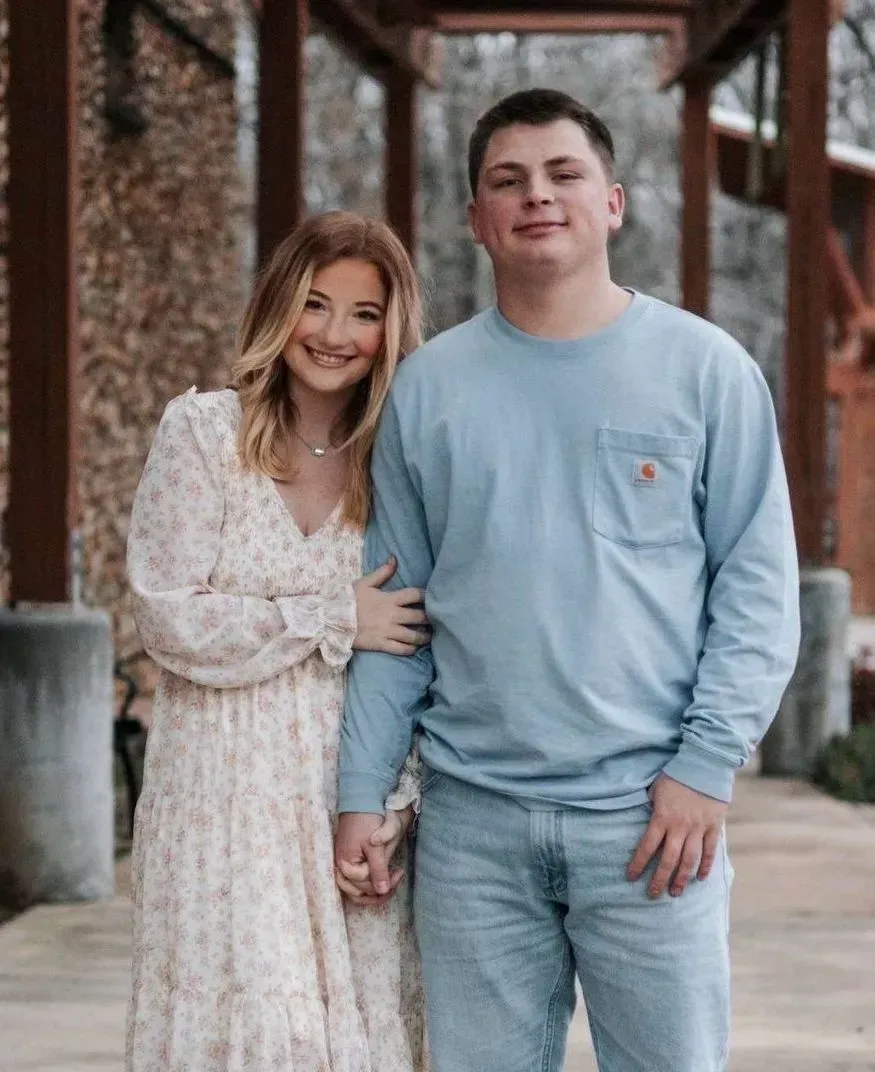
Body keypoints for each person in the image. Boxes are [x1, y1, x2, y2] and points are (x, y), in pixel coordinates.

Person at [335, 89, 801, 1072]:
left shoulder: (706, 371)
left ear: (612, 202)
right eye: (507, 181)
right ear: (477, 218)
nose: (536, 196)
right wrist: (361, 793)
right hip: (472, 831)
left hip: (652, 820)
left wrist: (704, 767)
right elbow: (394, 619)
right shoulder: (426, 389)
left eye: (562, 174)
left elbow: (757, 594)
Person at [126, 211, 429, 1071]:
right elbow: (167, 615)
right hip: (217, 799)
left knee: (357, 1040)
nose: (334, 334)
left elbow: (419, 647)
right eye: (315, 304)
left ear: (390, 331)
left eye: (364, 314)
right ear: (278, 306)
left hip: (345, 795)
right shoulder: (203, 433)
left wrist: (397, 804)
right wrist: (330, 615)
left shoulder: (398, 459)